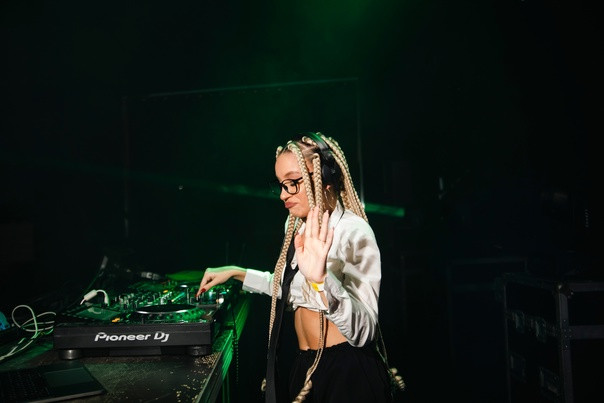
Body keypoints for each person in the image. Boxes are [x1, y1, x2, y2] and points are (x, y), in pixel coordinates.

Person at [196, 132, 398, 402]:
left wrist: (322, 279)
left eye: (292, 183)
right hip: (305, 365)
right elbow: (291, 289)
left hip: (347, 371)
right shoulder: (296, 225)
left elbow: (365, 332)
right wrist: (237, 273)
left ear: (323, 178)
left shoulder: (354, 231)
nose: (283, 195)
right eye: (280, 184)